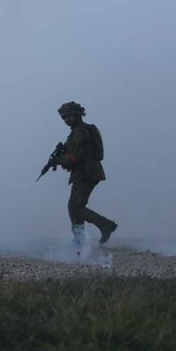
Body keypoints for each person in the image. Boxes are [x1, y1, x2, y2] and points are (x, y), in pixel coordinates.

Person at [51, 101, 117, 245]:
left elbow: (74, 157)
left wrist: (57, 160)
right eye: (63, 117)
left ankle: (105, 225)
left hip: (86, 173)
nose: (66, 120)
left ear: (77, 114)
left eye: (68, 116)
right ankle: (79, 238)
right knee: (74, 206)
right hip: (88, 172)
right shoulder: (84, 129)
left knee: (76, 207)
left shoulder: (79, 132)